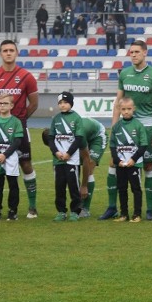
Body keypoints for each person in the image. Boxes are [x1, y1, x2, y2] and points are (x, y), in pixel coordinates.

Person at [99, 41, 152, 221]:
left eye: (137, 52)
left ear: (145, 53)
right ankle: (112, 206)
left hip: (147, 125)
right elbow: (117, 103)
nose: (133, 55)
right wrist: (114, 128)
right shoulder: (125, 74)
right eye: (131, 52)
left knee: (148, 165)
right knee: (115, 163)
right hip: (125, 126)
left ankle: (149, 210)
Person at [0, 40, 40, 218]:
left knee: (26, 164)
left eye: (11, 50)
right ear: (0, 53)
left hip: (19, 126)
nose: (8, 53)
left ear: (17, 53)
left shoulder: (26, 76)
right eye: (5, 50)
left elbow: (34, 103)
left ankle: (32, 207)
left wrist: (18, 120)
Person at [109, 97, 149, 223]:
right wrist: (117, 161)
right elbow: (113, 146)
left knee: (136, 189)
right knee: (121, 189)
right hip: (121, 165)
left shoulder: (138, 125)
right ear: (119, 110)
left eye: (129, 109)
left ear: (134, 109)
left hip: (134, 164)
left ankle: (137, 214)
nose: (126, 112)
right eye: (123, 109)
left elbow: (143, 145)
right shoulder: (116, 127)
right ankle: (124, 214)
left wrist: (133, 159)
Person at [0, 94, 23, 221]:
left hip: (10, 158)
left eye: (5, 103)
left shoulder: (16, 122)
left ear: (11, 105)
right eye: (0, 103)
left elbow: (17, 141)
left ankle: (12, 211)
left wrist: (5, 155)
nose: (2, 106)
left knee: (13, 185)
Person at [48, 91, 85, 222]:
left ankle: (75, 211)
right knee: (59, 186)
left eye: (66, 102)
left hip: (72, 160)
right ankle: (61, 211)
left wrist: (69, 153)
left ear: (71, 103)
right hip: (58, 160)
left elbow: (79, 138)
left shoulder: (76, 118)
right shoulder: (56, 119)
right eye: (60, 103)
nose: (63, 105)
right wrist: (56, 153)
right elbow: (51, 138)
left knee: (73, 186)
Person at [78, 116, 106, 218]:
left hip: (97, 137)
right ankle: (77, 204)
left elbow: (86, 158)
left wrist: (84, 185)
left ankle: (85, 208)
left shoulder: (80, 132)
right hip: (84, 137)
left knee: (89, 167)